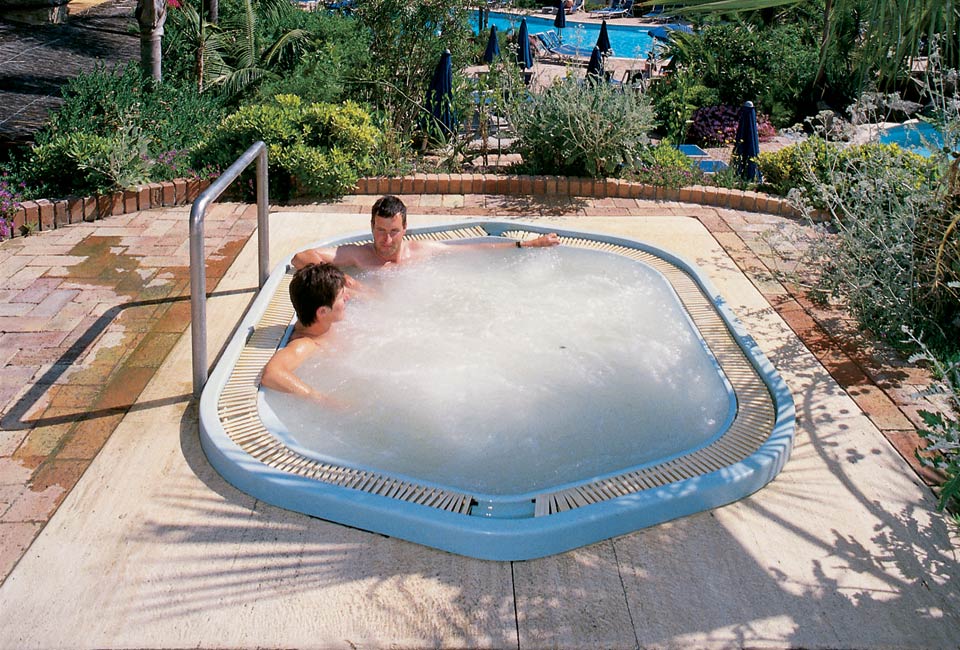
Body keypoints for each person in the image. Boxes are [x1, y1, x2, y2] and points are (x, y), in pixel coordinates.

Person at [291, 195, 560, 276]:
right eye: (380, 231)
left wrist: (527, 244)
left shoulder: (422, 251)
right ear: (371, 227)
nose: (386, 240)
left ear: (405, 229)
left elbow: (476, 248)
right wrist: (344, 282)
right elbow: (300, 259)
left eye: (394, 232)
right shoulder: (358, 255)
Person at [260, 262, 347, 402]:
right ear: (322, 312)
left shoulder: (323, 323)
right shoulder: (306, 344)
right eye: (342, 297)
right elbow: (272, 374)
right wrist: (324, 400)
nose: (347, 298)